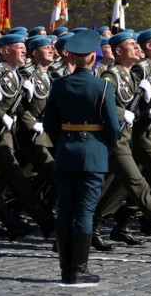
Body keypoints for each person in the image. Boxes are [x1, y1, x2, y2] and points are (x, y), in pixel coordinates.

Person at [44, 30, 120, 285]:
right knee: (85, 212)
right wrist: (103, 150)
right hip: (93, 152)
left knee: (65, 209)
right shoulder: (103, 86)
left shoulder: (59, 84)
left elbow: (50, 124)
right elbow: (113, 127)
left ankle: (66, 269)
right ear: (91, 57)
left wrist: (64, 142)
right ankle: (79, 270)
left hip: (66, 150)